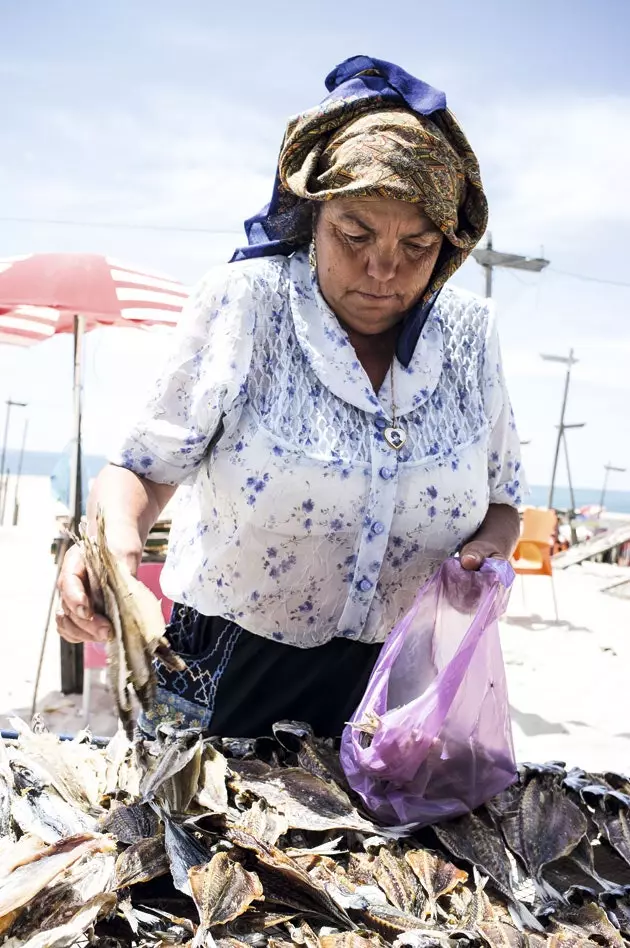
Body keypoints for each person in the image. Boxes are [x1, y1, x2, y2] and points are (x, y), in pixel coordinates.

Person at [56, 56, 525, 738]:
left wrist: (483, 555)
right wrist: (111, 549)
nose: (383, 269)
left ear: (449, 248)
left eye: (417, 245)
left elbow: (504, 501)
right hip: (225, 680)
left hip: (403, 695)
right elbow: (142, 468)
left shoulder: (471, 336)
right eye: (355, 234)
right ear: (314, 214)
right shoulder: (249, 304)